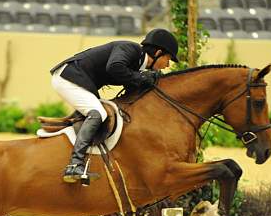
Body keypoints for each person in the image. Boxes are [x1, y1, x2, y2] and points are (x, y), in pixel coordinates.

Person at [50, 28, 179, 183]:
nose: (167, 65)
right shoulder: (130, 49)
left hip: (79, 80)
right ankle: (74, 164)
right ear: (158, 52)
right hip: (68, 77)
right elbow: (114, 67)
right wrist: (142, 77)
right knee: (98, 113)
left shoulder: (138, 65)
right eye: (168, 59)